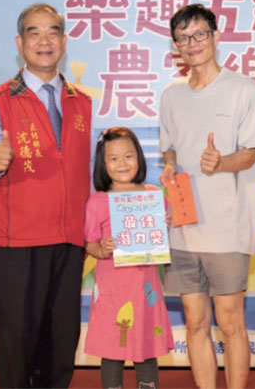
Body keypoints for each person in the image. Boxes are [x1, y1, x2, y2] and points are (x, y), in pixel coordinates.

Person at [0, 3, 92, 388]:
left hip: (68, 242)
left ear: (64, 42)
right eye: (34, 33)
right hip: (17, 243)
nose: (44, 41)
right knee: (18, 346)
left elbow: (84, 172)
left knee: (61, 344)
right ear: (20, 44)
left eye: (52, 32)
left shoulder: (81, 102)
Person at [159, 4, 255, 388]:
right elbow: (170, 148)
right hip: (183, 229)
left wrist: (221, 162)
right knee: (195, 321)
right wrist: (169, 166)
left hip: (228, 229)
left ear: (216, 36)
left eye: (200, 34)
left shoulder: (242, 89)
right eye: (183, 38)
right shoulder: (171, 95)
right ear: (176, 46)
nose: (192, 43)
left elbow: (251, 153)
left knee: (230, 321)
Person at [84, 127, 174, 389]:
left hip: (145, 290)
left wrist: (164, 226)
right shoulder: (97, 202)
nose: (122, 164)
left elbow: (159, 240)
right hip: (112, 291)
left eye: (128, 156)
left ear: (139, 157)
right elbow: (90, 243)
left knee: (146, 349)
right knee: (112, 350)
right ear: (103, 164)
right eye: (113, 158)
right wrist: (101, 250)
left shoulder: (154, 196)